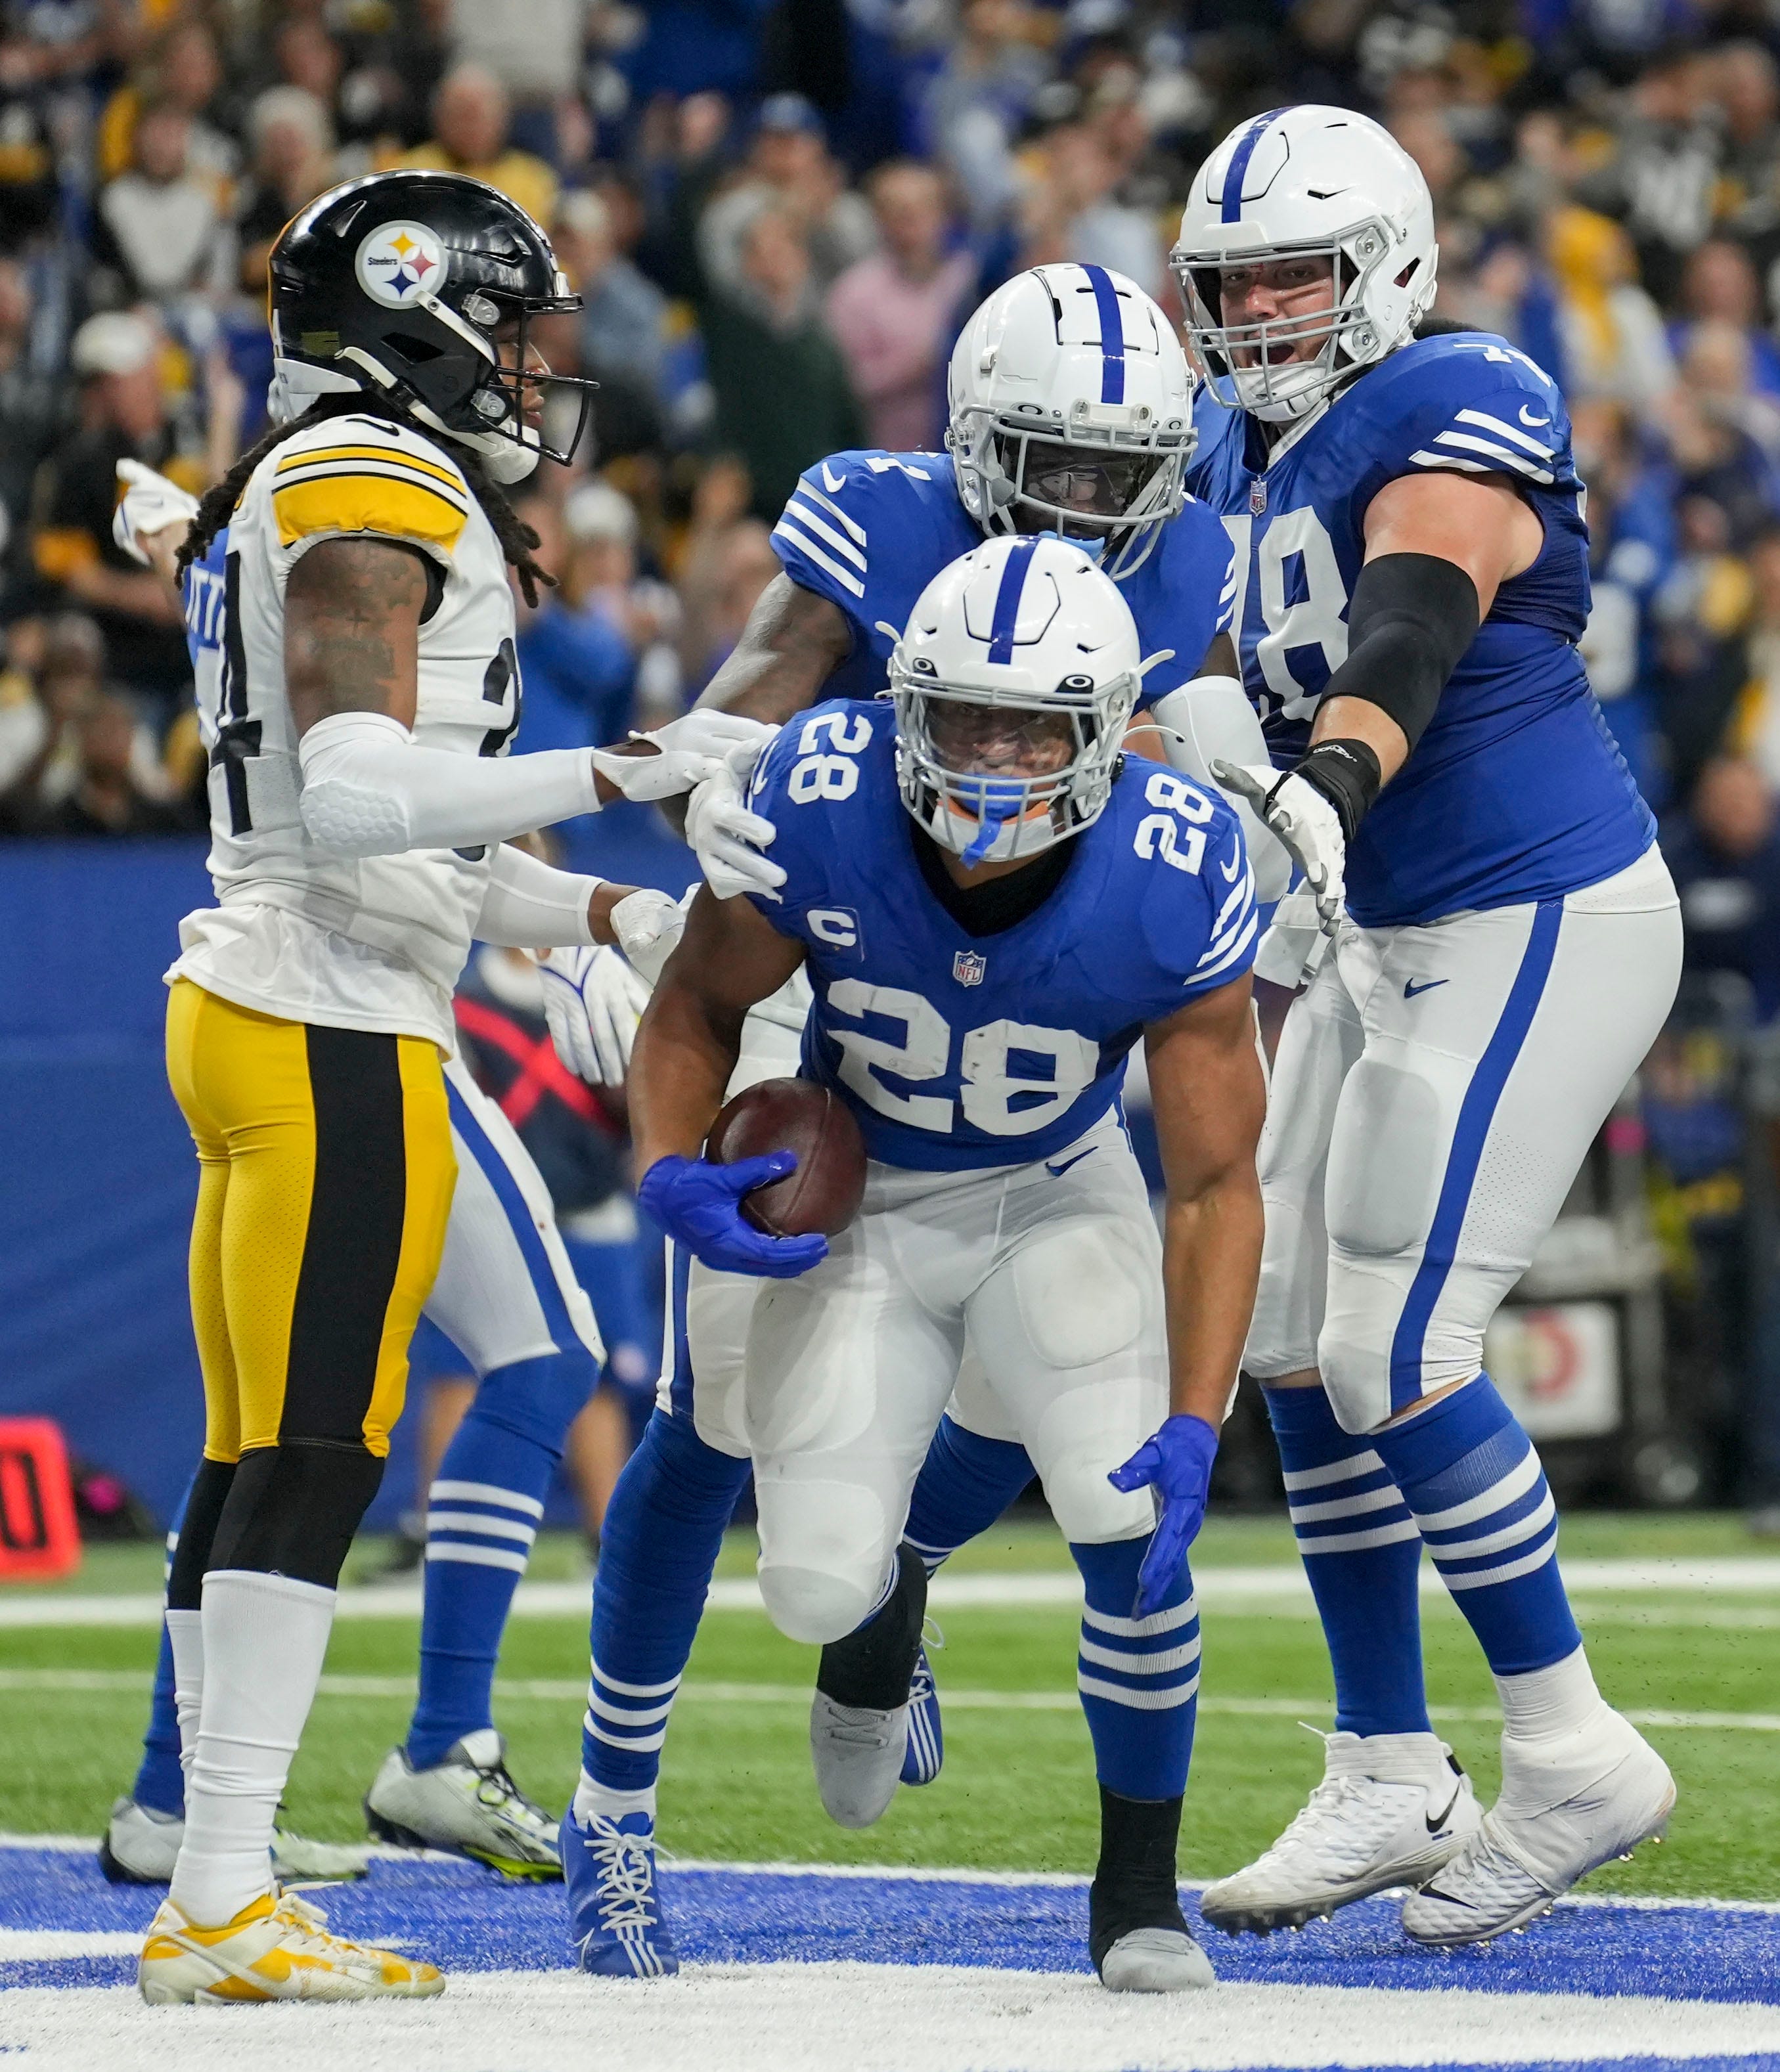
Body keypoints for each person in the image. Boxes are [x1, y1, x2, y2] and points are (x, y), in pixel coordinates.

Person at [548, 266, 1287, 1979]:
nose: (1094, 505)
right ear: (967, 438)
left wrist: (1266, 795)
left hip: (1054, 990)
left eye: (1126, 470)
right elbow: (747, 712)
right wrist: (690, 855)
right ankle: (616, 1810)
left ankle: (920, 1607)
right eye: (1056, 462)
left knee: (1068, 1373)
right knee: (716, 1405)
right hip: (845, 949)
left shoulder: (1191, 568)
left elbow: (1209, 725)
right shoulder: (879, 529)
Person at [129, 166, 764, 2006]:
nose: (523, 365)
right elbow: (353, 794)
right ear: (414, 319)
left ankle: (214, 1882)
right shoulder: (376, 483)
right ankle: (227, 1891)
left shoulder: (327, 473)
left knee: (273, 1458)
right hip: (323, 1025)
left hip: (279, 994)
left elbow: (398, 837)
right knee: (315, 1457)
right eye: (502, 325)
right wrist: (629, 765)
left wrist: (597, 912)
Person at [1155, 104, 1681, 1947]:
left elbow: (1413, 624)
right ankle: (1390, 1762)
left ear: (1385, 262)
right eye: (1230, 286)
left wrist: (1319, 781)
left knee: (1398, 1346)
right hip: (1381, 930)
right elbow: (1229, 670)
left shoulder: (1457, 390)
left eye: (1293, 273)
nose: (1259, 313)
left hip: (1535, 906)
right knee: (1292, 1337)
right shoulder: (1242, 441)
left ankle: (1571, 1748)